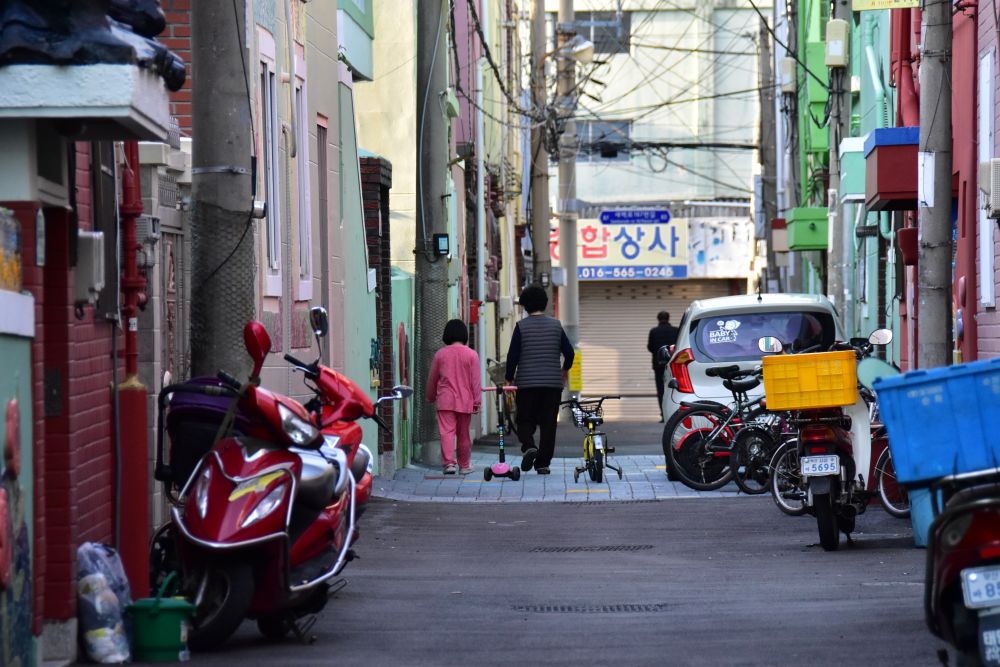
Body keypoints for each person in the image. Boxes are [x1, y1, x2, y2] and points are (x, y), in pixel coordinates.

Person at [505, 284, 575, 475]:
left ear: (525, 306)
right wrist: (564, 370)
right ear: (544, 303)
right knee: (548, 424)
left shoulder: (521, 327)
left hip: (526, 384)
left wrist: (509, 379)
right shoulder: (556, 325)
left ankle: (529, 446)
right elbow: (569, 353)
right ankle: (543, 464)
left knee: (524, 419)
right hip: (552, 384)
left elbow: (513, 356)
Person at [426, 319, 481, 474]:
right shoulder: (472, 355)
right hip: (465, 400)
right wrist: (476, 401)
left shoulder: (440, 355)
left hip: (445, 400)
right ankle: (464, 465)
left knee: (446, 433)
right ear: (465, 335)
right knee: (463, 434)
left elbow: (432, 379)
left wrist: (430, 396)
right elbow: (475, 381)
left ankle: (449, 464)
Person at [647, 311, 678, 421]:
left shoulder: (654, 331)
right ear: (668, 318)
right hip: (673, 364)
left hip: (658, 365)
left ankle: (664, 415)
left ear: (658, 319)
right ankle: (674, 414)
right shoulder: (676, 330)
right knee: (674, 388)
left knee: (661, 390)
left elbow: (650, 347)